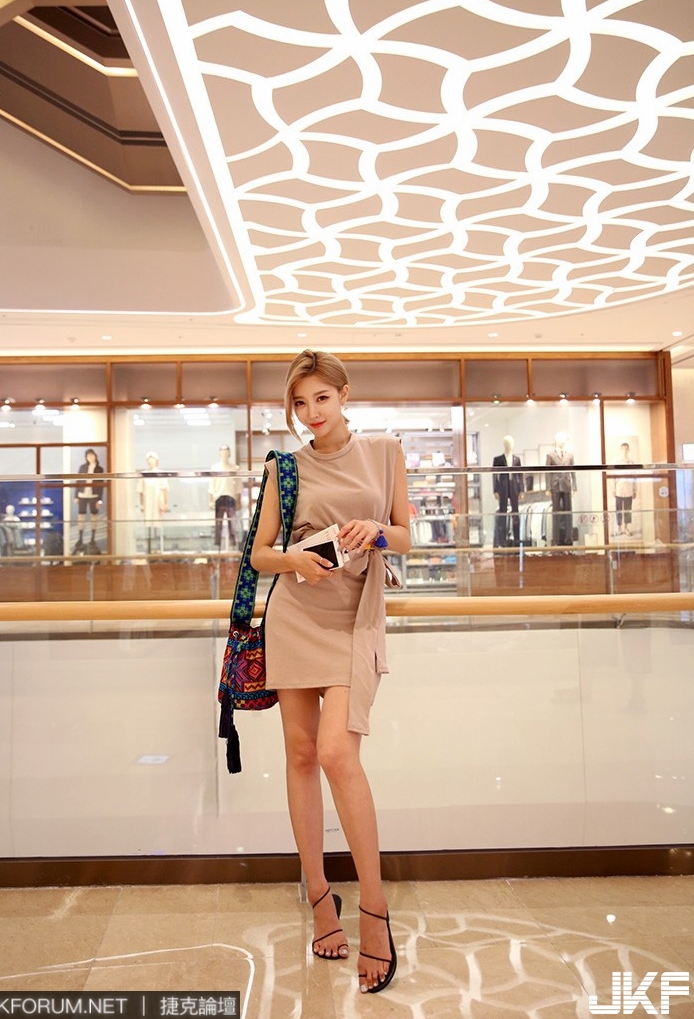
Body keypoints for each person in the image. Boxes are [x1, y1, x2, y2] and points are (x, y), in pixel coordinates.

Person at [251, 350, 411, 995]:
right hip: (296, 615)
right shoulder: (284, 468)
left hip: (354, 620)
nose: (311, 412)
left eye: (321, 398)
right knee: (299, 755)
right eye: (300, 402)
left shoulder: (385, 452)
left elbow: (407, 535)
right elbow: (259, 554)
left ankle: (375, 909)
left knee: (337, 754)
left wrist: (377, 529)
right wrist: (295, 559)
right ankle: (320, 897)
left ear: (344, 394)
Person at [545, 432, 576, 546]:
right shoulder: (550, 455)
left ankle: (569, 538)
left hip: (567, 485)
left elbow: (573, 472)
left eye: (563, 439)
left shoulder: (570, 455)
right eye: (560, 439)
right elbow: (547, 472)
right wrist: (548, 488)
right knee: (556, 513)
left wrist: (575, 487)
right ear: (556, 441)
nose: (562, 441)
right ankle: (556, 539)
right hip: (555, 486)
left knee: (568, 512)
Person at [492, 435, 523, 546]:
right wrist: (495, 490)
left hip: (514, 486)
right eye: (507, 443)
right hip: (503, 486)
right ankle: (502, 539)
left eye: (510, 443)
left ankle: (517, 538)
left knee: (515, 512)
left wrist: (521, 489)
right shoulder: (498, 459)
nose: (509, 445)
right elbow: (494, 475)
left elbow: (520, 475)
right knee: (502, 512)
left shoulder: (516, 459)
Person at [208, 445, 242, 547]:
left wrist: (238, 501)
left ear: (229, 453)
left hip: (231, 497)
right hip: (218, 497)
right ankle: (217, 544)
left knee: (232, 523)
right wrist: (211, 500)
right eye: (223, 452)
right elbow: (212, 484)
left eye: (226, 452)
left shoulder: (235, 468)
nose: (224, 454)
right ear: (219, 453)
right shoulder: (214, 468)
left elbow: (238, 485)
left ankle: (233, 544)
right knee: (218, 523)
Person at [136, 451, 168, 554]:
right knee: (148, 523)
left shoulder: (161, 473)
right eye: (149, 459)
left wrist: (165, 503)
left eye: (153, 459)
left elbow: (164, 490)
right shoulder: (144, 474)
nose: (151, 461)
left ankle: (159, 549)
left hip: (158, 502)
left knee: (158, 523)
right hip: (148, 502)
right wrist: (141, 504)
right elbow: (140, 491)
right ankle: (149, 549)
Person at [74, 448, 104, 554]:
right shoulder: (82, 467)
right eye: (88, 456)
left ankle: (92, 538)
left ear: (95, 456)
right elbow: (78, 481)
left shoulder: (99, 469)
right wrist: (76, 496)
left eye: (92, 455)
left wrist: (100, 500)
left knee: (94, 516)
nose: (90, 457)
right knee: (81, 515)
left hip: (94, 495)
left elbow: (101, 485)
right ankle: (80, 538)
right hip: (82, 494)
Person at [613, 441, 637, 535]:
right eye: (623, 449)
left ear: (629, 450)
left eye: (626, 449)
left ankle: (626, 527)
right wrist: (613, 488)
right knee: (618, 509)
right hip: (619, 488)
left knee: (627, 509)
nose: (625, 450)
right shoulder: (617, 462)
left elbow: (634, 477)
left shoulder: (631, 462)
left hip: (629, 488)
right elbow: (613, 476)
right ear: (621, 449)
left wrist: (634, 490)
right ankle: (619, 528)